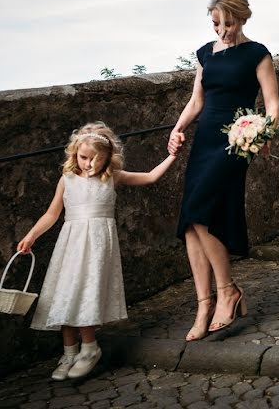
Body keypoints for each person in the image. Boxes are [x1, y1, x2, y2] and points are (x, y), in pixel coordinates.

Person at [17, 122, 177, 380]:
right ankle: (69, 353)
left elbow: (149, 177)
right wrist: (31, 235)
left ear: (107, 159)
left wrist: (172, 155)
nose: (88, 164)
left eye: (95, 159)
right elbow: (51, 214)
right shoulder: (67, 180)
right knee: (65, 294)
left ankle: (90, 348)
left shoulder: (113, 177)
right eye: (83, 158)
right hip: (71, 246)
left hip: (97, 248)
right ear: (74, 154)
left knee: (85, 293)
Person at [167, 0, 279, 341]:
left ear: (242, 18)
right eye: (216, 24)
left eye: (228, 24)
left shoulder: (257, 55)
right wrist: (177, 128)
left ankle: (228, 291)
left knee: (201, 212)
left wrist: (261, 135)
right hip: (204, 141)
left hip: (236, 142)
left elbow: (274, 107)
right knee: (190, 222)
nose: (221, 31)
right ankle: (204, 303)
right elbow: (196, 101)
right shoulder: (204, 54)